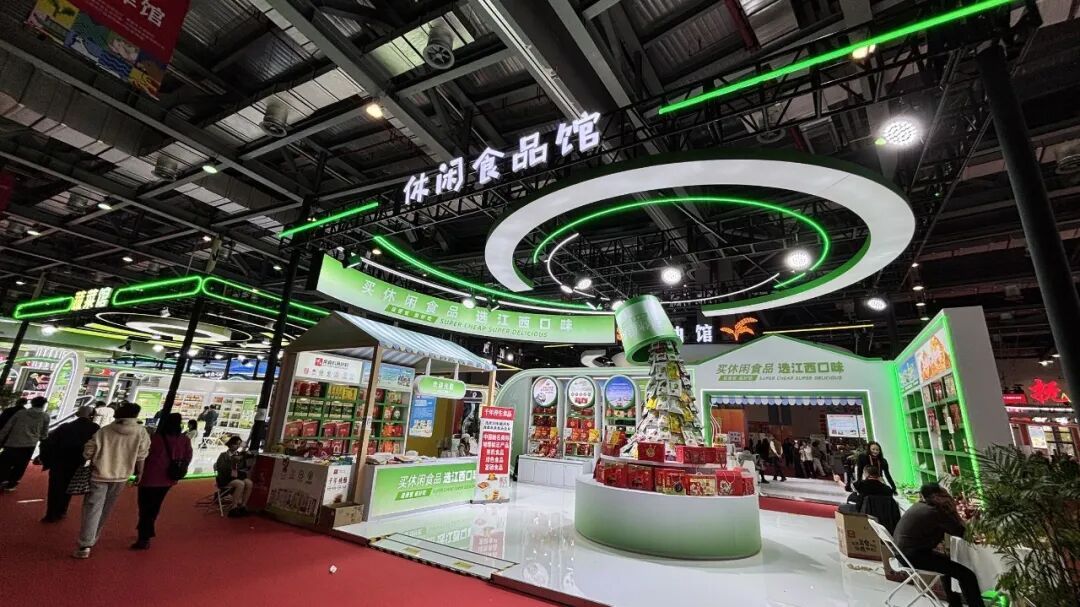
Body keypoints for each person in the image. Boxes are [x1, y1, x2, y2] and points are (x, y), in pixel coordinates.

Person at [74, 403, 150, 559]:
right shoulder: (141, 432)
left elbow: (88, 451)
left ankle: (85, 544)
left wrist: (94, 458)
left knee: (92, 508)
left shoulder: (105, 430)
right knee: (107, 508)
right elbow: (142, 455)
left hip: (99, 474)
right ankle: (94, 537)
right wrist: (140, 472)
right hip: (121, 476)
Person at [892, 484, 983, 607]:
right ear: (939, 496)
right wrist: (963, 516)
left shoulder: (920, 506)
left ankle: (954, 604)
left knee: (948, 565)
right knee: (967, 575)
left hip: (902, 553)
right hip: (913, 556)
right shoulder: (935, 512)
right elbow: (962, 532)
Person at [134, 413, 192, 550]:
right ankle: (146, 531)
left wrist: (138, 471)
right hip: (168, 479)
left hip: (149, 477)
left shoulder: (155, 438)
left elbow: (143, 455)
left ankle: (144, 535)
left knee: (144, 507)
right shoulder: (184, 439)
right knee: (155, 506)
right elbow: (188, 456)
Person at [39, 405, 99, 522]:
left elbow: (48, 441)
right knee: (69, 486)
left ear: (78, 414)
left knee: (55, 487)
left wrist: (46, 460)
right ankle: (62, 510)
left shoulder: (66, 426)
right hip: (77, 462)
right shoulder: (95, 428)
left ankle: (51, 513)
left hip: (59, 461)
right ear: (91, 415)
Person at [0, 396, 51, 492]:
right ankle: (11, 484)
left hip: (13, 442)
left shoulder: (21, 413)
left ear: (32, 403)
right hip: (29, 445)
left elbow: (8, 427)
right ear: (43, 405)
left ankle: (1, 479)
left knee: (5, 463)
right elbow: (44, 434)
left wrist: (1, 438)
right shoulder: (45, 416)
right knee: (21, 465)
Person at [215, 436, 253, 516]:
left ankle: (243, 506)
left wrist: (244, 458)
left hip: (237, 477)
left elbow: (243, 468)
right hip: (225, 478)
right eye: (236, 444)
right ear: (230, 444)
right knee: (240, 484)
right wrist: (232, 462)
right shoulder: (223, 455)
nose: (237, 446)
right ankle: (233, 507)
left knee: (249, 483)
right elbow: (221, 469)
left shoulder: (239, 455)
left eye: (239, 444)